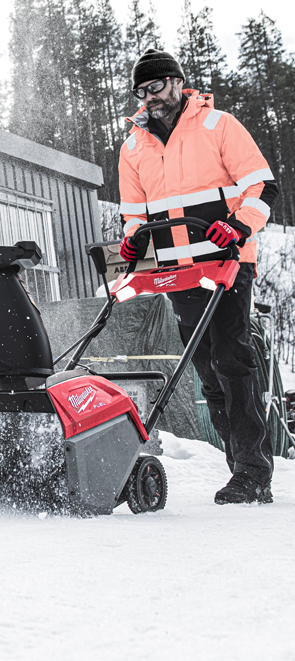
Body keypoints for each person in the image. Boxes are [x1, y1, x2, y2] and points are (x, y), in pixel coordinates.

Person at [118, 48, 279, 505]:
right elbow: (134, 215)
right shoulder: (133, 147)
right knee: (209, 372)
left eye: (156, 86)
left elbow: (263, 185)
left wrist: (240, 224)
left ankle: (253, 473)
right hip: (176, 272)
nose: (149, 97)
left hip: (226, 262)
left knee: (233, 360)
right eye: (141, 91)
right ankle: (240, 469)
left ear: (176, 81)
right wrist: (133, 242)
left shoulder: (217, 125)